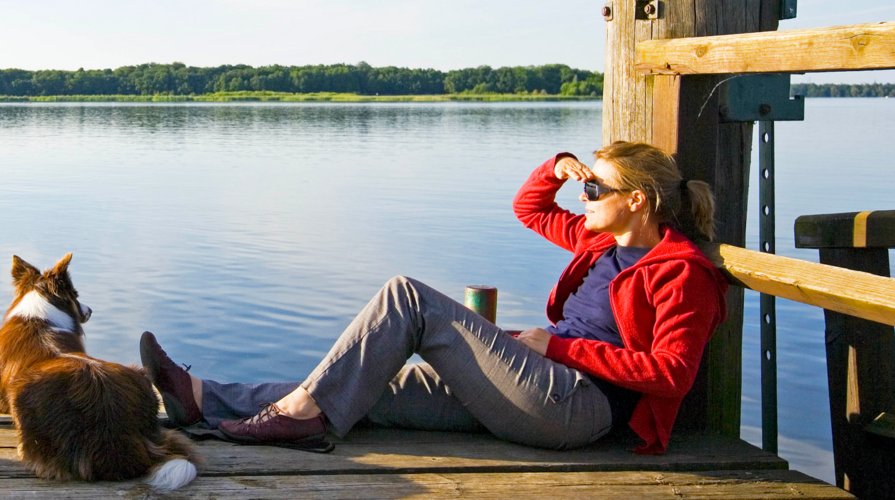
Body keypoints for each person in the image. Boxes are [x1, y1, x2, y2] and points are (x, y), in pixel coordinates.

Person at [140, 141, 728, 454]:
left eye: (597, 187)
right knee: (372, 387)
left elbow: (672, 374)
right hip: (540, 384)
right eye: (587, 183)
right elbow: (530, 208)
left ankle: (297, 420)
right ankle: (200, 398)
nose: (586, 195)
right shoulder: (598, 243)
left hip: (578, 407)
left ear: (639, 202)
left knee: (408, 298)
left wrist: (558, 349)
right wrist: (556, 167)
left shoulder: (680, 272)